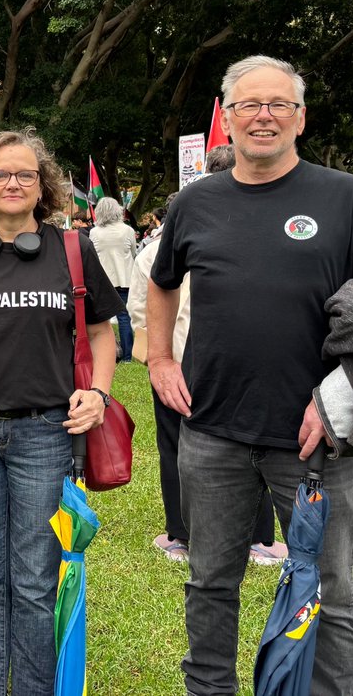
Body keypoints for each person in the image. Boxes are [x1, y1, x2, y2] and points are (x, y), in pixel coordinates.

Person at [147, 55, 353, 696]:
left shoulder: (346, 197)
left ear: (300, 118)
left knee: (327, 592)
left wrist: (345, 392)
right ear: (228, 119)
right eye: (248, 105)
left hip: (316, 439)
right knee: (210, 582)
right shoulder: (195, 202)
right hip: (211, 430)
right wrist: (158, 358)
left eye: (278, 105)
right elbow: (160, 285)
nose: (262, 115)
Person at [0, 128, 122, 695]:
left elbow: (103, 334)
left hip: (45, 434)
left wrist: (100, 393)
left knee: (35, 582)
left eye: (25, 175)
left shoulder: (73, 251)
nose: (12, 183)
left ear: (43, 188)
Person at [131, 146, 287, 566]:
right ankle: (256, 538)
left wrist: (156, 359)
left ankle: (181, 535)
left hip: (184, 363)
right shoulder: (248, 240)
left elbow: (137, 315)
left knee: (178, 449)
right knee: (249, 445)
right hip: (214, 366)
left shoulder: (151, 250)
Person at [89, 196, 137, 362]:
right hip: (124, 278)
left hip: (102, 281)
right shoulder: (128, 231)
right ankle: (127, 356)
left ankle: (105, 354)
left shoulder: (94, 232)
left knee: (102, 320)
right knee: (124, 318)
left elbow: (92, 257)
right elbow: (133, 253)